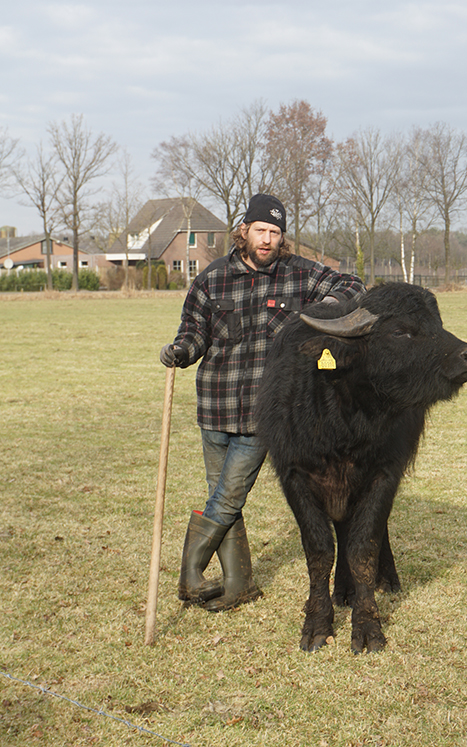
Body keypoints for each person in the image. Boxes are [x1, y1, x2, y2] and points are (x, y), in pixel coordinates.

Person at [160, 193, 365, 612]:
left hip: (265, 414)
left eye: (275, 232)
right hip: (214, 406)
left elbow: (352, 285)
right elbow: (193, 332)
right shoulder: (211, 279)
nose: (268, 239)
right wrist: (179, 350)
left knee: (228, 495)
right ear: (244, 231)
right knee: (220, 493)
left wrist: (326, 309)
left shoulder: (301, 275)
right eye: (261, 230)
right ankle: (239, 584)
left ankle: (190, 571)